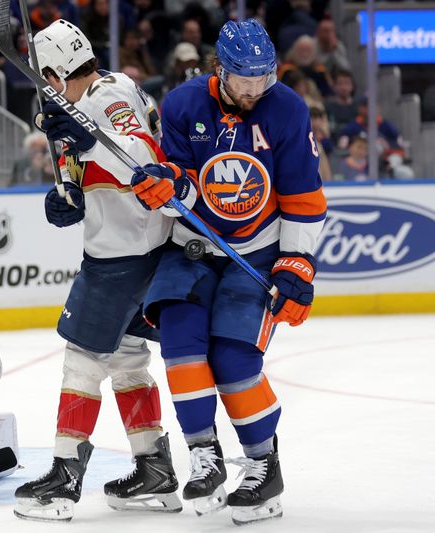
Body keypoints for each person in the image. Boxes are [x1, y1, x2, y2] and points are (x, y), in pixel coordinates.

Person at [129, 19, 327, 525]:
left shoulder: (286, 108)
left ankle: (265, 467)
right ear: (221, 69)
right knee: (180, 339)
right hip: (193, 247)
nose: (255, 90)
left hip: (258, 250)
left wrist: (297, 264)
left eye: (264, 78)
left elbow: (303, 196)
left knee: (235, 359)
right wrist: (167, 187)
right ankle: (205, 456)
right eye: (245, 80)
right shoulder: (183, 105)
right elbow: (185, 188)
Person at [12, 19, 177, 522]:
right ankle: (156, 470)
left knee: (82, 359)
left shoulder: (107, 98)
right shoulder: (101, 93)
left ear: (59, 73)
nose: (43, 87)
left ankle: (63, 478)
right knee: (127, 357)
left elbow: (145, 158)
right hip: (133, 247)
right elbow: (101, 171)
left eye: (45, 77)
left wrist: (87, 143)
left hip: (123, 257)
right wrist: (72, 194)